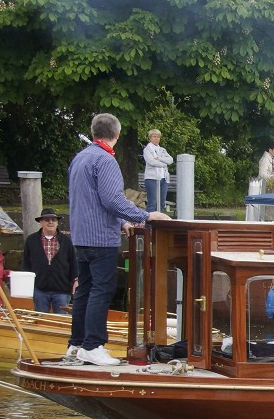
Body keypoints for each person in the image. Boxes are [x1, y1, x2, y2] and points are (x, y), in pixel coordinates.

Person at [68, 113, 171, 366]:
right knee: (101, 290)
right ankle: (93, 345)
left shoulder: (80, 158)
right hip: (101, 238)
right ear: (117, 134)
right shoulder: (105, 160)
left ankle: (76, 344)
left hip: (80, 235)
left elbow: (90, 200)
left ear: (94, 132)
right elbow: (112, 200)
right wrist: (145, 216)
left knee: (84, 290)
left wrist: (122, 221)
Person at [22, 208, 76, 314]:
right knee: (41, 320)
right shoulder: (31, 240)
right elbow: (26, 264)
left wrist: (75, 280)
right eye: (47, 220)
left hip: (62, 289)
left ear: (57, 222)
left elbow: (73, 262)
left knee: (61, 322)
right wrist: (27, 286)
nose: (51, 222)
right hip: (39, 289)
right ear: (41, 222)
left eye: (53, 220)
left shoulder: (66, 240)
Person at [142, 129, 173, 213]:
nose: (156, 138)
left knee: (162, 203)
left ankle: (160, 223)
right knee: (152, 203)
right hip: (152, 178)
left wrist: (159, 158)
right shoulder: (147, 149)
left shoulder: (162, 149)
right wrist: (163, 164)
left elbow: (170, 160)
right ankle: (149, 224)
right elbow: (151, 161)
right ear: (150, 138)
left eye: (158, 137)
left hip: (164, 178)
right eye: (154, 136)